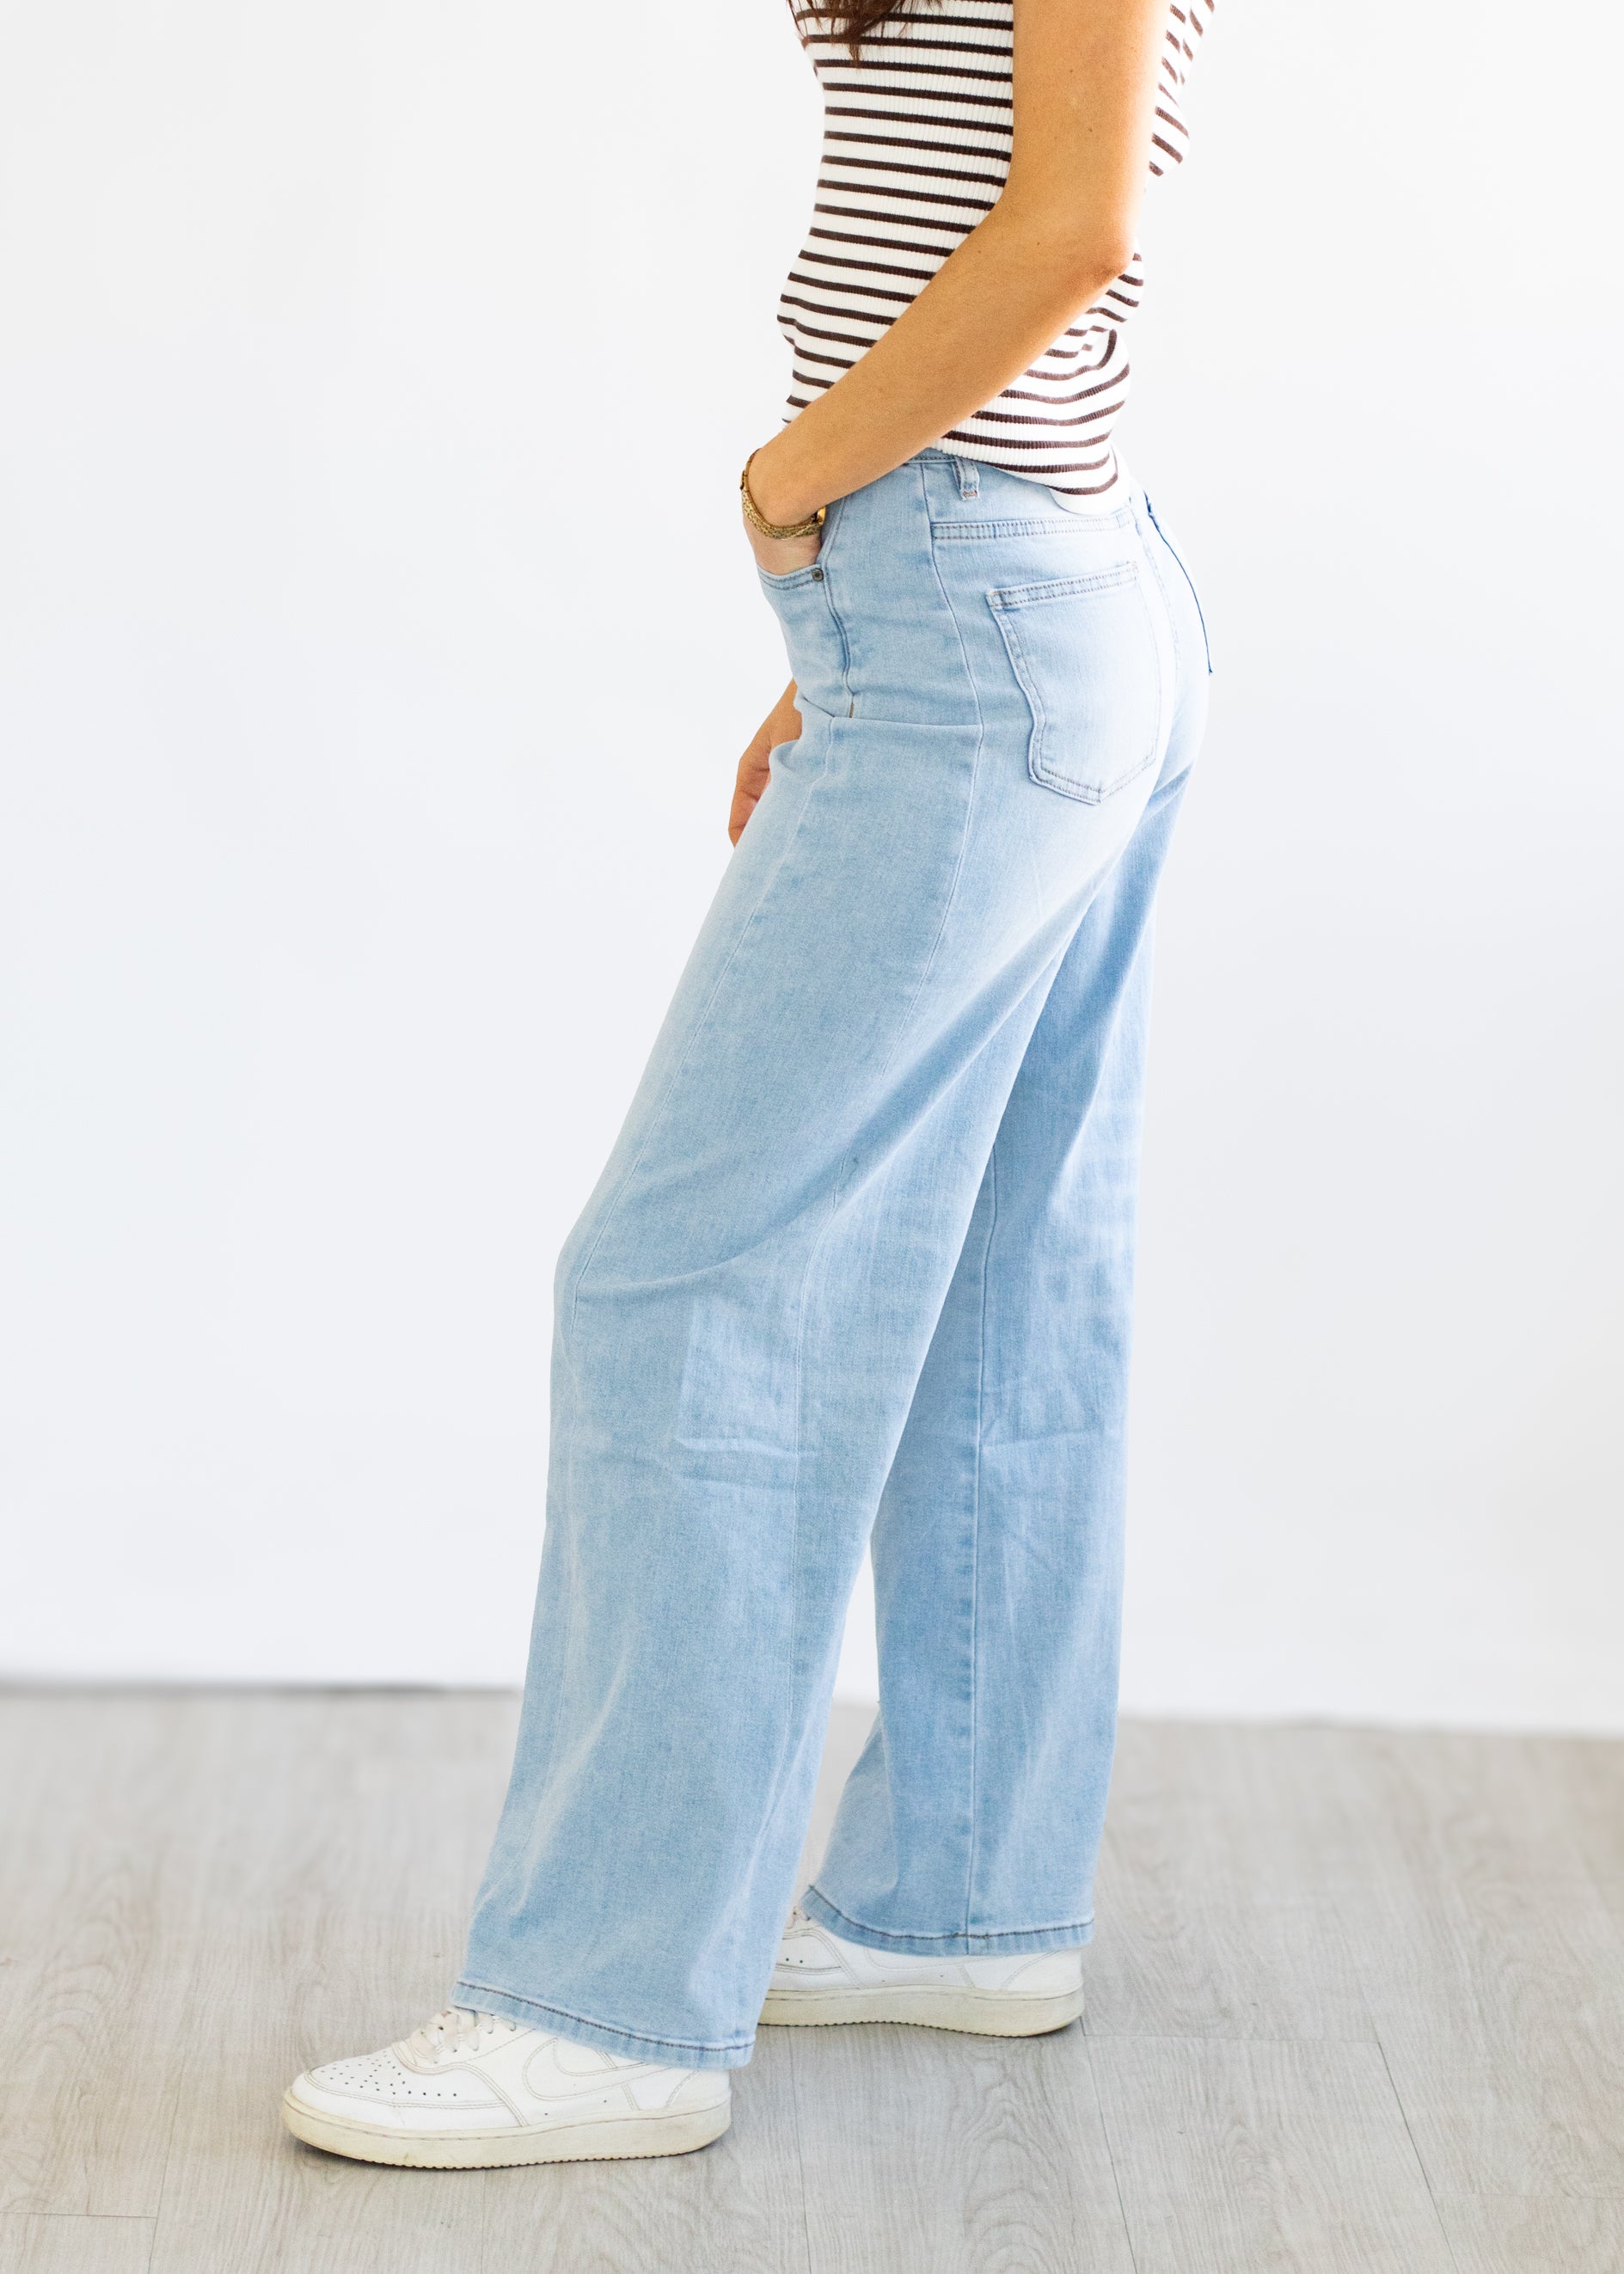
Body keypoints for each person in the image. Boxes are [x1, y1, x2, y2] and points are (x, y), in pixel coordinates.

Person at [283, 0, 1216, 2169]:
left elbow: (1070, 226)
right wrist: (857, 647)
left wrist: (797, 491)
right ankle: (963, 1904)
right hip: (1036, 590)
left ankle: (604, 2006)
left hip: (980, 577)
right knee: (1003, 1272)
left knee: (681, 1282)